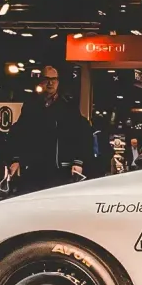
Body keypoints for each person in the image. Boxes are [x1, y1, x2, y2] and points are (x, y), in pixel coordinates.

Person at [7, 66, 92, 194]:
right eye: (47, 79)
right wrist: (16, 159)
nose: (50, 83)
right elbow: (19, 133)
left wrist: (78, 162)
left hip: (59, 169)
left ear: (58, 82)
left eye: (54, 79)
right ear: (41, 81)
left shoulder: (68, 107)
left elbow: (81, 135)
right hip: (33, 168)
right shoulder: (31, 106)